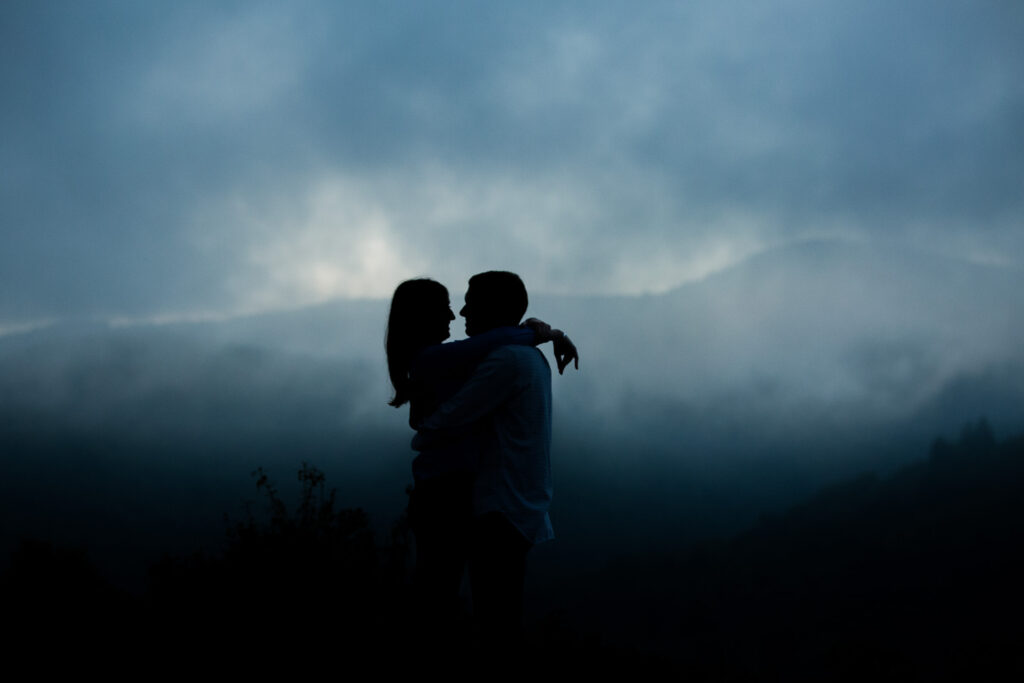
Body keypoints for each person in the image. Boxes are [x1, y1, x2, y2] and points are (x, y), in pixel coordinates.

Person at [385, 277, 575, 638]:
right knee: (454, 606)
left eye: (468, 303)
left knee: (451, 604)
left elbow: (491, 343)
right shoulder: (438, 359)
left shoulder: (483, 358)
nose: (459, 313)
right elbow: (496, 340)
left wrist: (542, 331)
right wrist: (546, 333)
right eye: (446, 307)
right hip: (447, 495)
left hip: (458, 495)